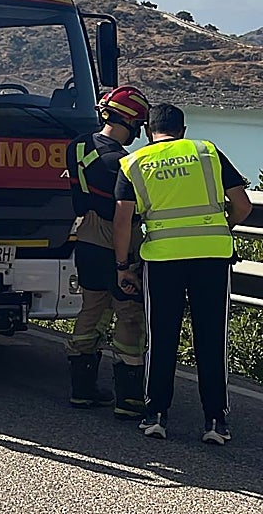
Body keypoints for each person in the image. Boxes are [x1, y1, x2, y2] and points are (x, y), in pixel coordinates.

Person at [113, 102, 252, 444]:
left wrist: (122, 267)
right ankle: (216, 422)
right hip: (212, 257)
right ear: (183, 130)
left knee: (161, 339)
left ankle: (156, 416)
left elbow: (122, 221)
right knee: (212, 339)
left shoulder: (133, 163)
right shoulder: (207, 152)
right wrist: (222, 227)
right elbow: (243, 205)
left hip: (163, 260)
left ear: (148, 132)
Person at [65, 85, 150, 418]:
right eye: (138, 125)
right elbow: (128, 211)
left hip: (85, 236)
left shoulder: (77, 146)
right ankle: (129, 398)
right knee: (129, 313)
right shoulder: (123, 162)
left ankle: (82, 390)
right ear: (128, 121)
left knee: (91, 309)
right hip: (118, 240)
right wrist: (125, 260)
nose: (138, 132)